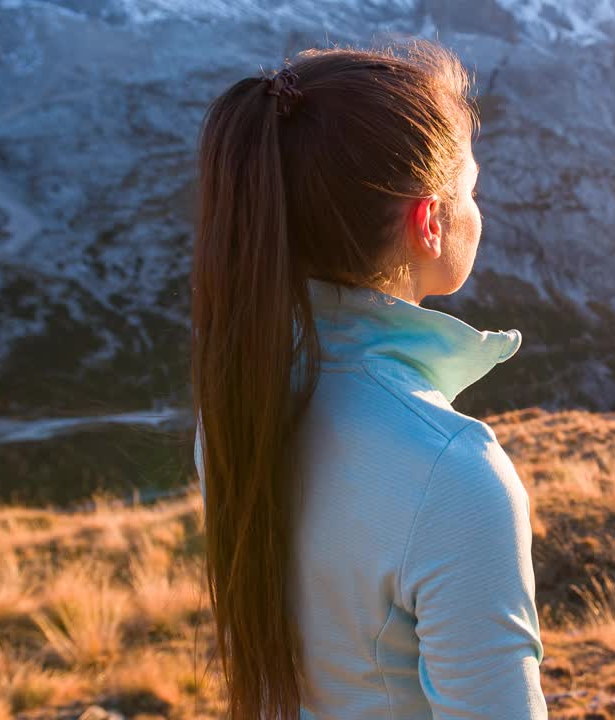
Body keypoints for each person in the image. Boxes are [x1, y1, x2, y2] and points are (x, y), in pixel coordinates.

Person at [189, 39, 546, 720]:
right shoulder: (452, 473)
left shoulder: (240, 408)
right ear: (429, 222)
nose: (479, 211)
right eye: (470, 191)